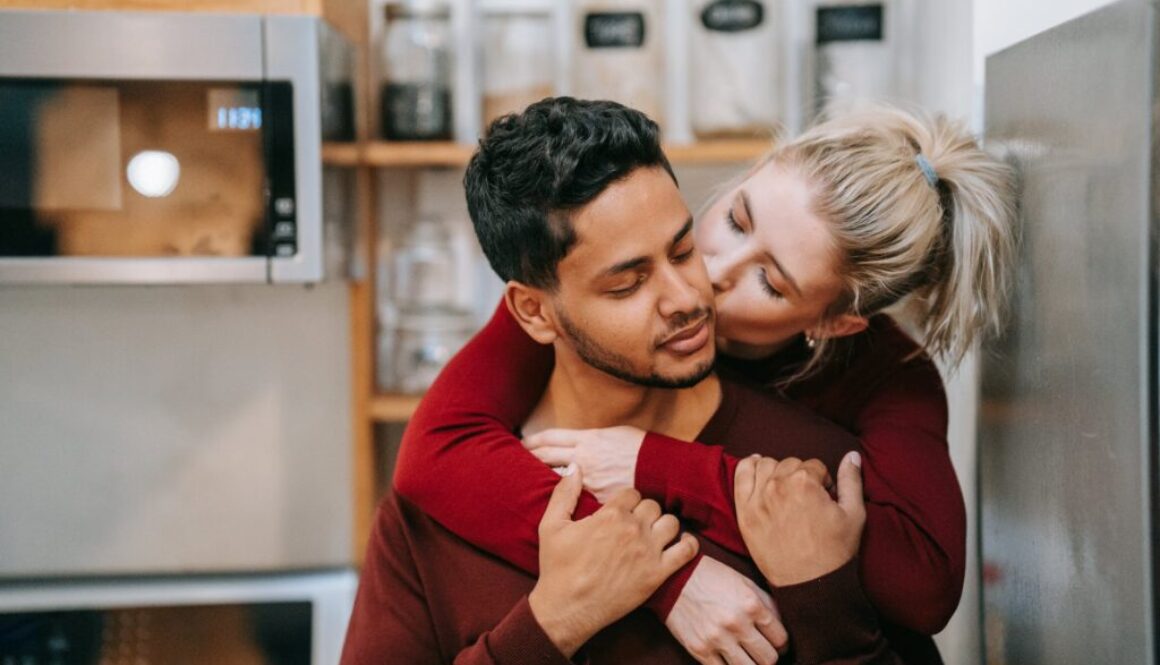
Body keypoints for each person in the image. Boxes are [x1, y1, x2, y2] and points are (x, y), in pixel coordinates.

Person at [392, 99, 1018, 663]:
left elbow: (925, 585)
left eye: (770, 283)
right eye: (734, 222)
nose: (709, 275)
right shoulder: (566, 310)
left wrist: (662, 467)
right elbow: (434, 454)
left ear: (835, 323)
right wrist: (666, 581)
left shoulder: (880, 384)